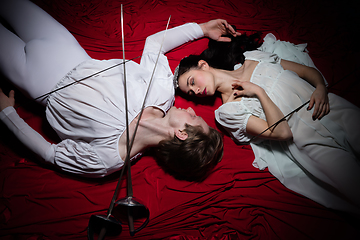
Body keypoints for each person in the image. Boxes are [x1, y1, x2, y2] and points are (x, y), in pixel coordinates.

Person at [0, 0, 232, 181]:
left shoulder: (109, 159)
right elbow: (154, 45)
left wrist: (7, 114)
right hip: (65, 48)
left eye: (194, 118)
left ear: (182, 133)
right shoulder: (163, 93)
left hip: (34, 80)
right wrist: (201, 29)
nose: (192, 109)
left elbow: (51, 154)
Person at [174, 30, 360, 214]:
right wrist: (259, 92)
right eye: (190, 92)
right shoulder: (227, 112)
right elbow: (282, 133)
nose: (196, 91)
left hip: (332, 109)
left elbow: (305, 71)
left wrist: (320, 88)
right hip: (311, 143)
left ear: (203, 65)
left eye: (192, 82)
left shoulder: (255, 57)